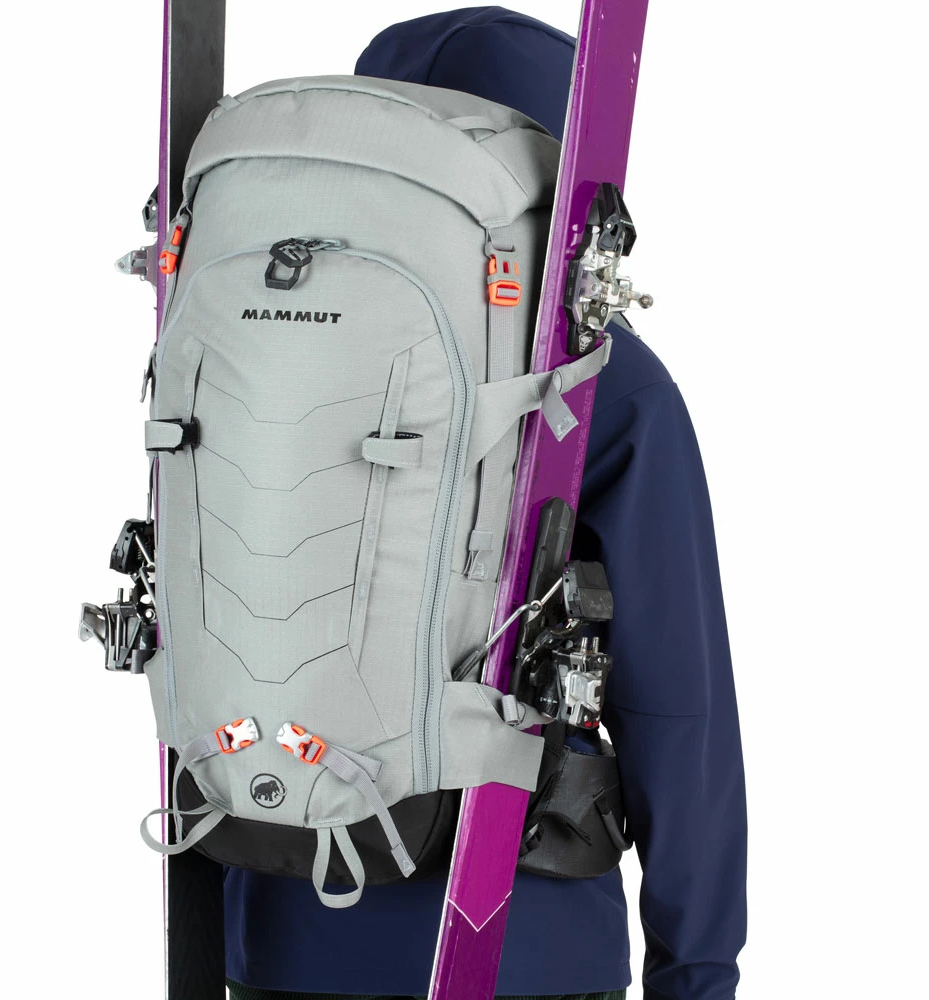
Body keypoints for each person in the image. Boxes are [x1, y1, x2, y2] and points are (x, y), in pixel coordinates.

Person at [224, 8, 747, 999]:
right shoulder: (604, 377)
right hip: (522, 940)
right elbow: (678, 705)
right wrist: (698, 969)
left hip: (280, 916)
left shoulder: (253, 340)